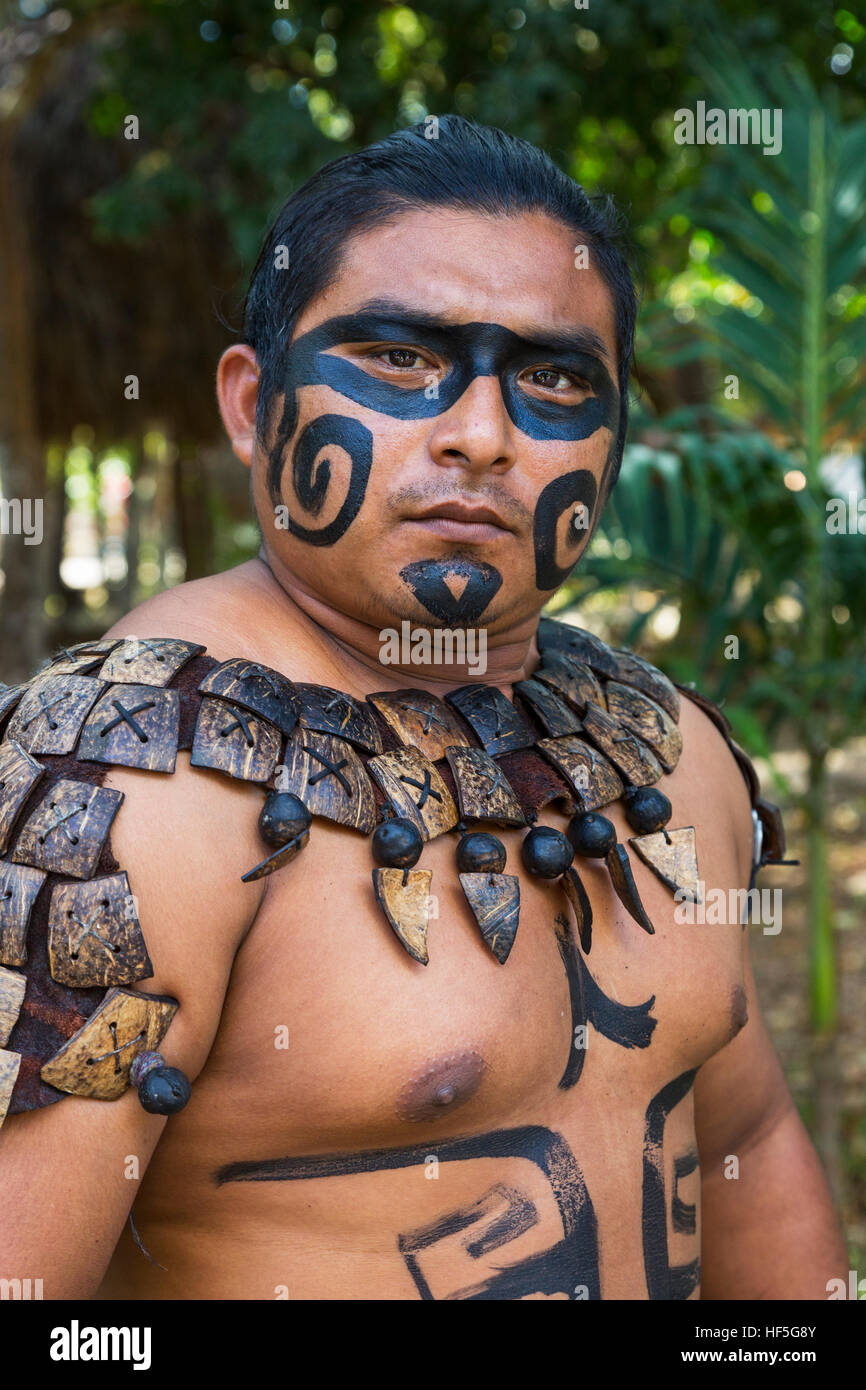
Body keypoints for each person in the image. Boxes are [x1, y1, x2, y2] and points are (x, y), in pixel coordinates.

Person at [0, 117, 846, 1301]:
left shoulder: (660, 741)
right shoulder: (131, 782)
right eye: (398, 357)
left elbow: (746, 1140)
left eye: (553, 378)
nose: (482, 436)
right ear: (252, 405)